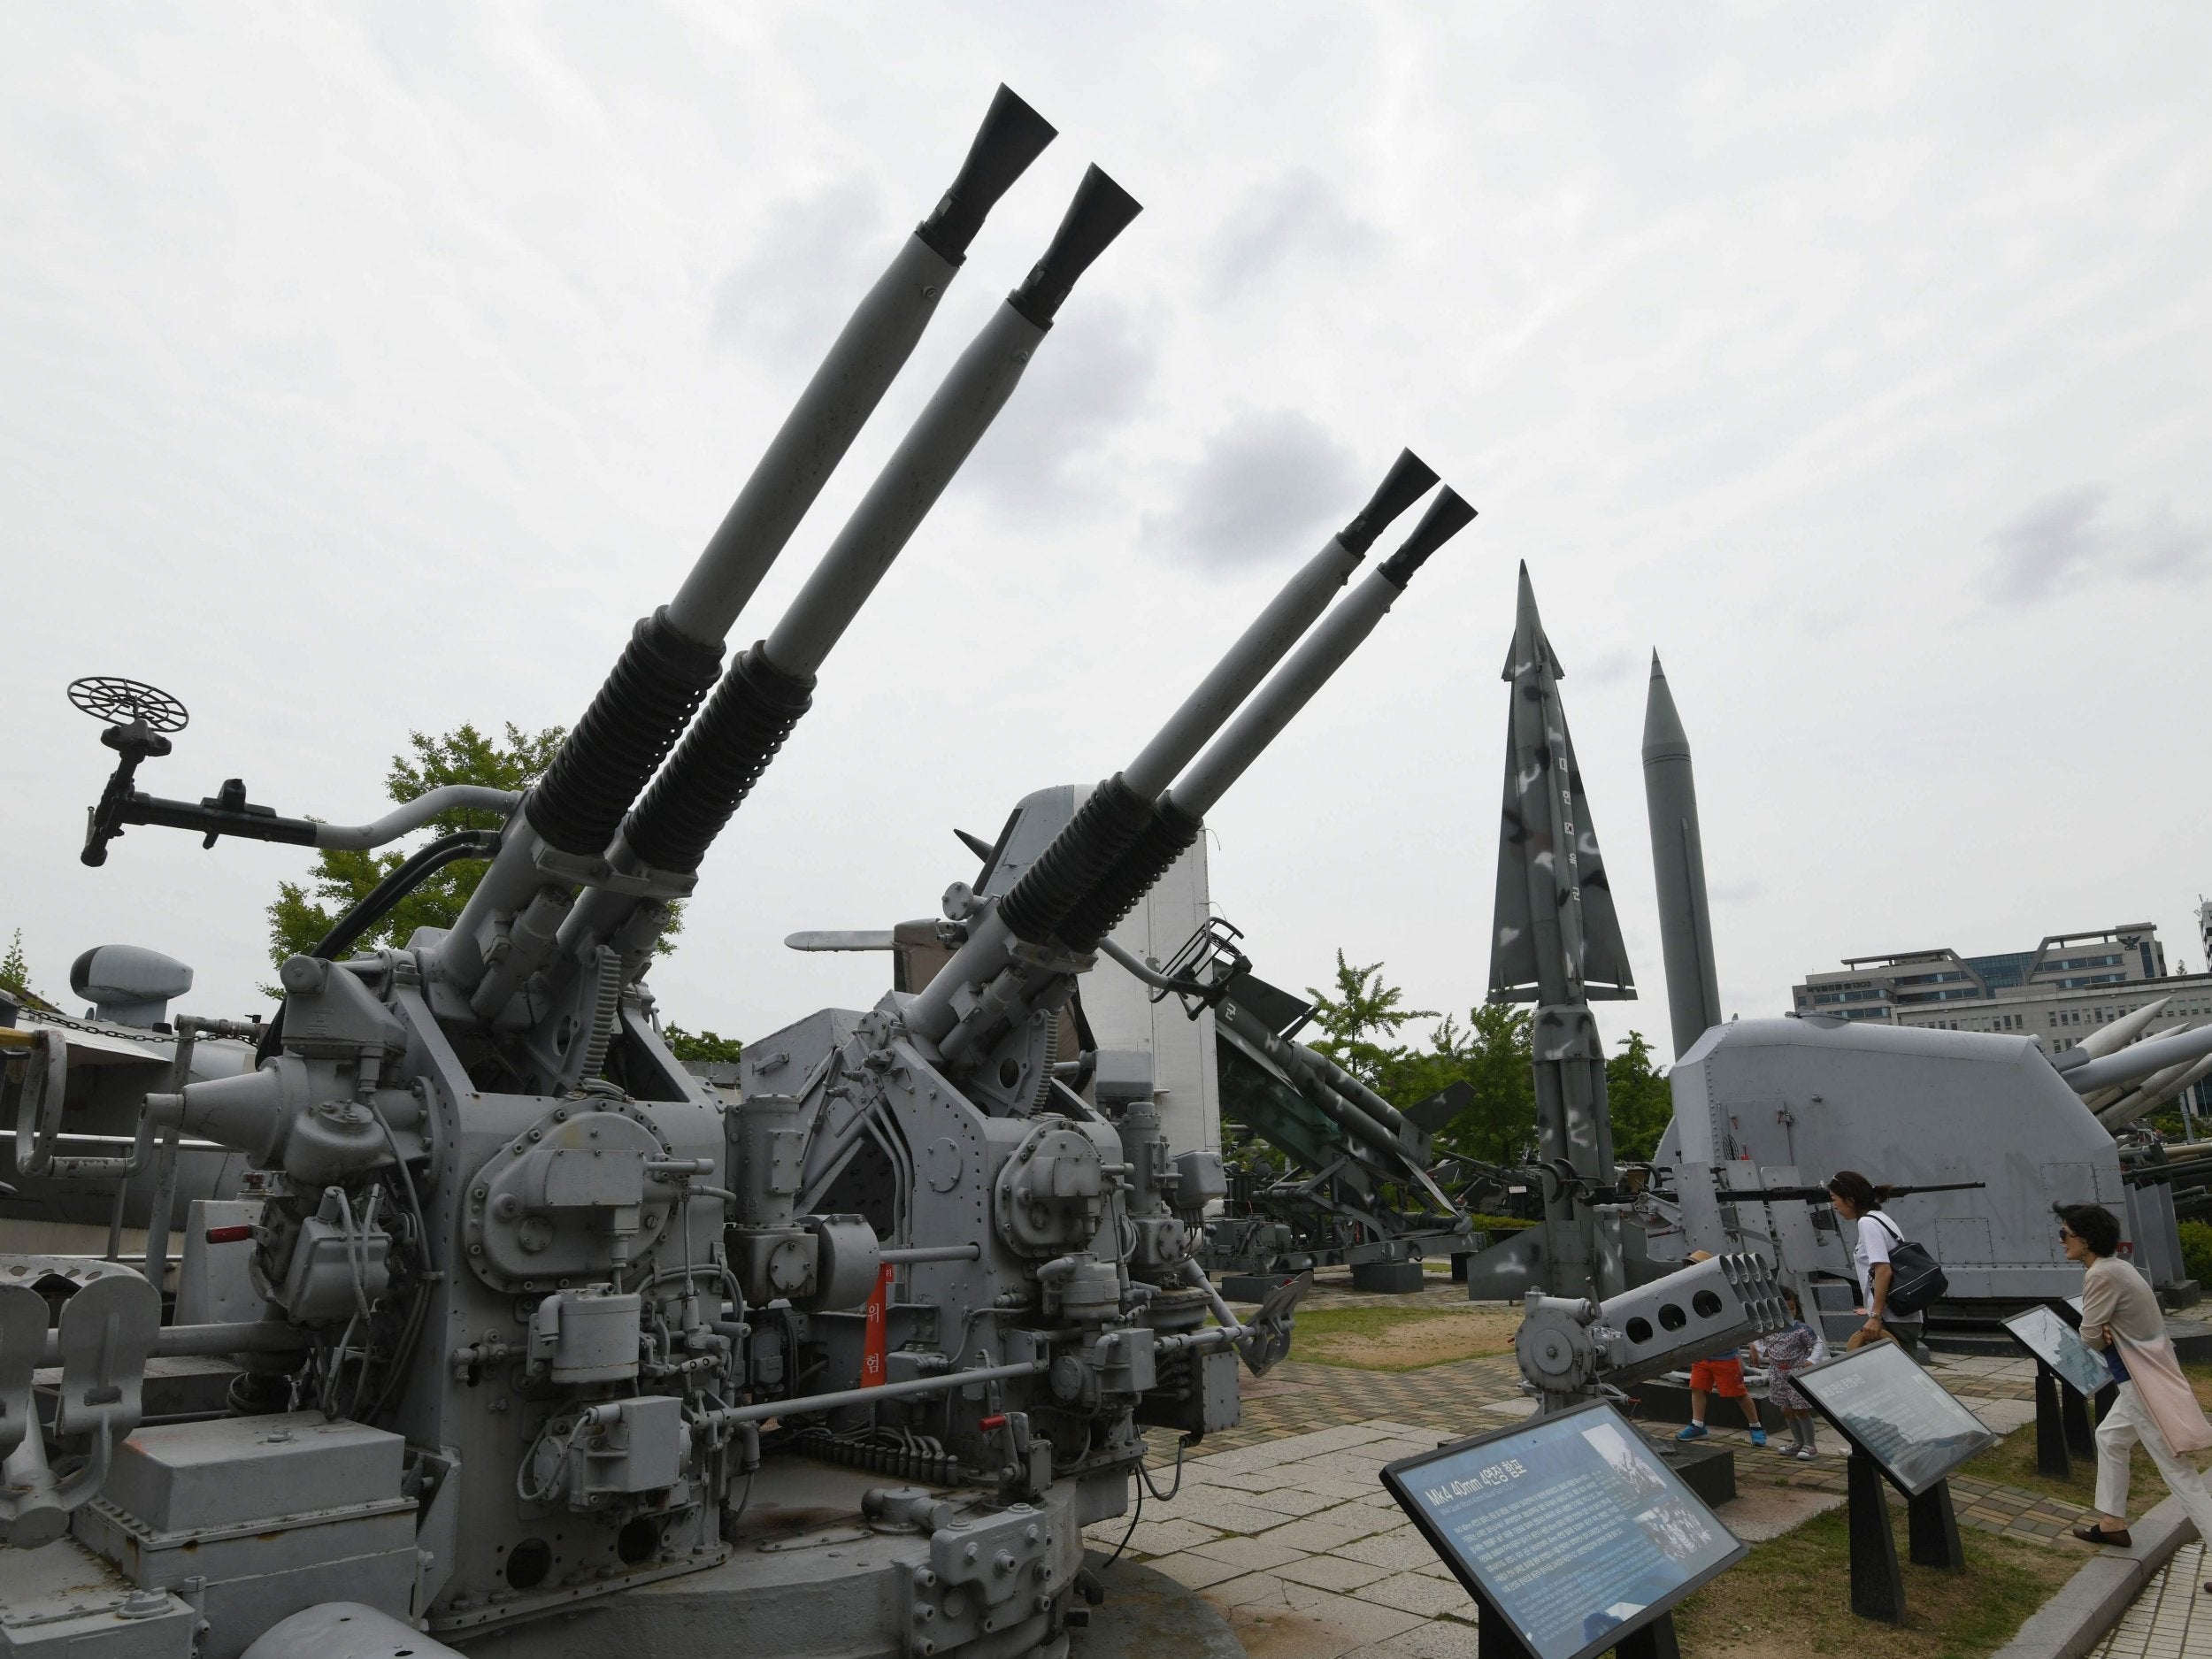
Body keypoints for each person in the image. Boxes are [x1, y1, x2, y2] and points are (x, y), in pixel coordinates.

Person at [2059, 1202, 2212, 1563]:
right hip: (2146, 1377)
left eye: (2064, 1234)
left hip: (2141, 1383)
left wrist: (2100, 1333)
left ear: (2085, 1240)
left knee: (2179, 1473)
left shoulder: (2099, 1275)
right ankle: (2112, 1523)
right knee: (2109, 1437)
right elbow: (2102, 1330)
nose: (2061, 1241)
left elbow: (2089, 1335)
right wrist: (2104, 1331)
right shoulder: (2119, 1268)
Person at [1825, 1171, 1901, 1350]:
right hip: (1900, 1313)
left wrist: (1875, 1316)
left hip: (1890, 1318)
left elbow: (1883, 1270)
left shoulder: (1867, 1223)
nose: (1834, 1206)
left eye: (1834, 1198)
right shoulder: (1881, 1219)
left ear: (1850, 1200)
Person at [1753, 1287, 1821, 1461]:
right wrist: (1761, 1352)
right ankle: (1798, 1442)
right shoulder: (1768, 1329)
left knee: (1801, 1409)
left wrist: (1812, 1360)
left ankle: (1810, 1444)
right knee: (1786, 1410)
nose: (1789, 1312)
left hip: (1796, 1375)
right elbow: (1758, 1341)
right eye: (1783, 1309)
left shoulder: (1801, 1330)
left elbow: (1818, 1344)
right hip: (1777, 1375)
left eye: (1792, 1308)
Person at [1676, 1346, 1766, 1448]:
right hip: (1701, 1356)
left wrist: (1752, 1346)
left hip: (1726, 1358)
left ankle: (1756, 1427)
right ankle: (1697, 1425)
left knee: (1739, 1393)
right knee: (1697, 1388)